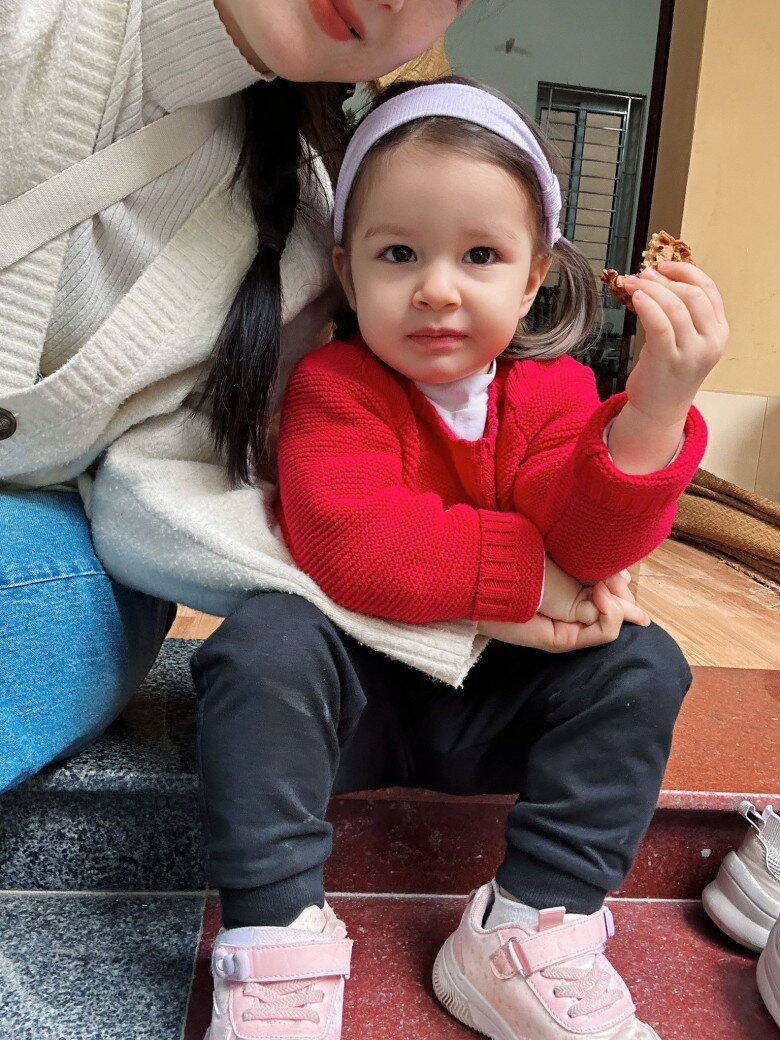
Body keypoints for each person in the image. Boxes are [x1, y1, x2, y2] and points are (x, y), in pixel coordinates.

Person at [191, 78, 728, 1039]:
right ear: (348, 273)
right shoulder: (333, 385)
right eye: (399, 253)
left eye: (480, 255)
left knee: (644, 663)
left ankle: (530, 927)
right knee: (261, 643)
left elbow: (589, 542)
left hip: (499, 715)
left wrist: (654, 411)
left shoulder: (556, 391)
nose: (437, 288)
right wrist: (538, 580)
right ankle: (275, 936)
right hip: (348, 712)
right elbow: (353, 543)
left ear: (532, 280)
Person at [0, 0, 478, 793]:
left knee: (50, 619)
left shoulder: (306, 231)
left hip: (51, 545)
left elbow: (165, 482)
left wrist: (486, 589)